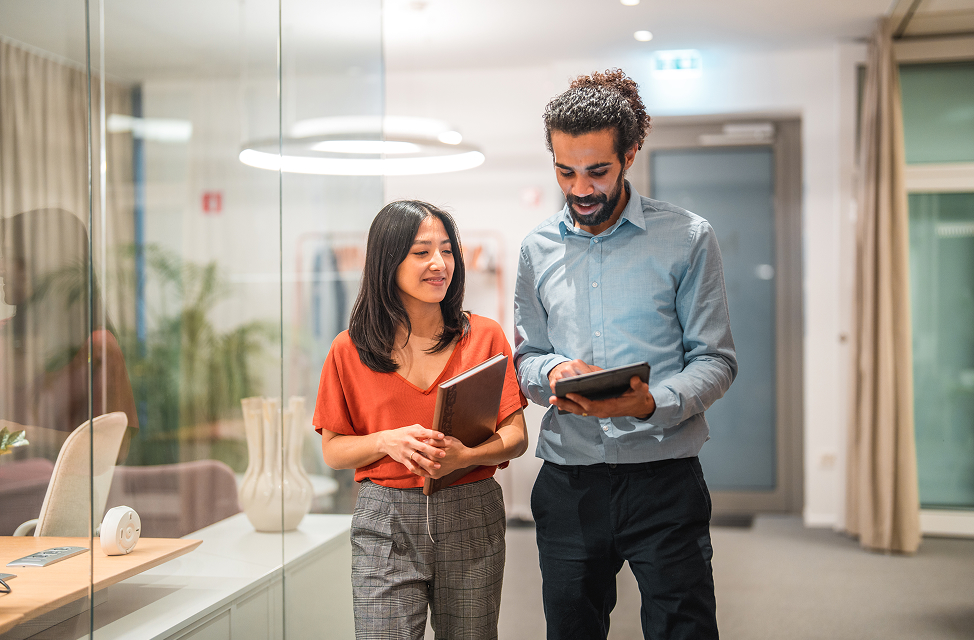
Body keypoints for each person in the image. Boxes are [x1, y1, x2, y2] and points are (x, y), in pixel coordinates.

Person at [513, 69, 738, 640]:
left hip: (665, 477)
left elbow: (716, 359)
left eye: (597, 171)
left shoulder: (688, 237)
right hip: (569, 482)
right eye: (565, 171)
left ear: (630, 154)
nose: (581, 189)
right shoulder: (536, 248)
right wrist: (553, 371)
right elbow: (527, 357)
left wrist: (649, 404)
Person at [313, 200, 528, 640]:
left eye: (447, 251)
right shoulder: (348, 349)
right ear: (387, 261)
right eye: (421, 251)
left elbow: (516, 436)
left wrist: (467, 455)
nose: (439, 264)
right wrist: (386, 441)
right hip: (385, 521)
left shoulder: (484, 336)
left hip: (471, 511)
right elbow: (334, 450)